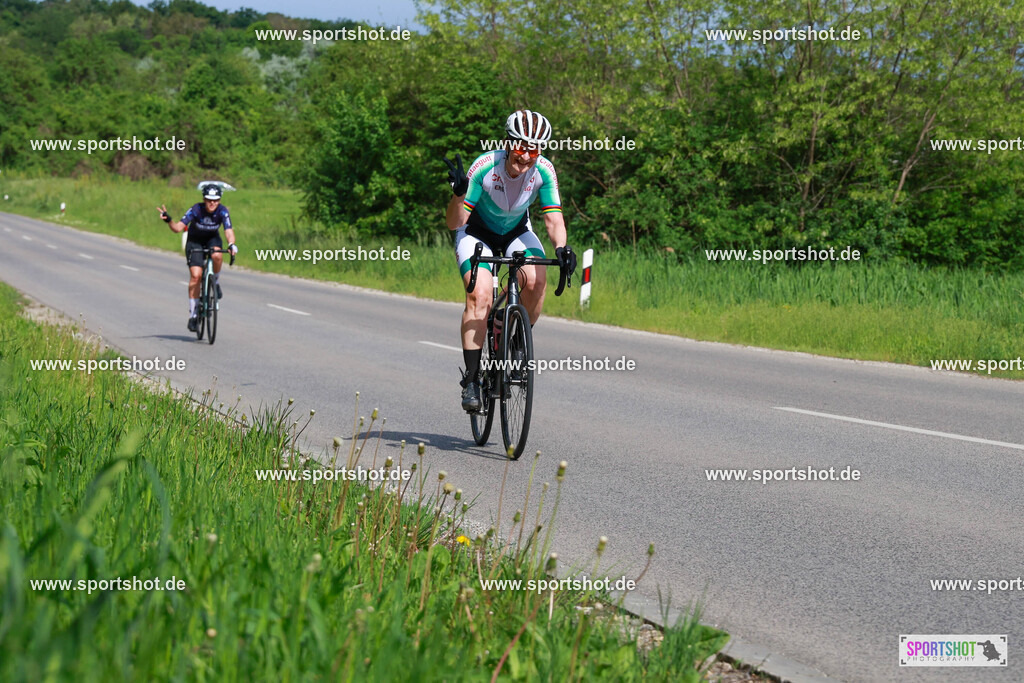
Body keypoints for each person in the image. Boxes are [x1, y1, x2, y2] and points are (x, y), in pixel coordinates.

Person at [444, 109, 577, 412]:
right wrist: (458, 194)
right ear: (507, 143)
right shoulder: (484, 168)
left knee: (537, 279)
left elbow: (553, 217)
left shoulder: (544, 170)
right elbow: (455, 222)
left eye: (534, 149)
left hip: (516, 231)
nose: (526, 156)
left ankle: (516, 343)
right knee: (479, 297)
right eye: (521, 146)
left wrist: (562, 248)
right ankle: (474, 379)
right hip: (476, 233)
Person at [157, 184, 238, 332]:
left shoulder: (222, 211)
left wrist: (232, 244)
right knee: (196, 276)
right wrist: (168, 220)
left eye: (216, 200)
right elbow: (178, 228)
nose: (212, 203)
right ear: (204, 199)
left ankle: (216, 281)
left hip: (213, 239)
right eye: (209, 200)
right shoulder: (196, 210)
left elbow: (228, 230)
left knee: (217, 254)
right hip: (194, 242)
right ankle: (193, 315)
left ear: (219, 200)